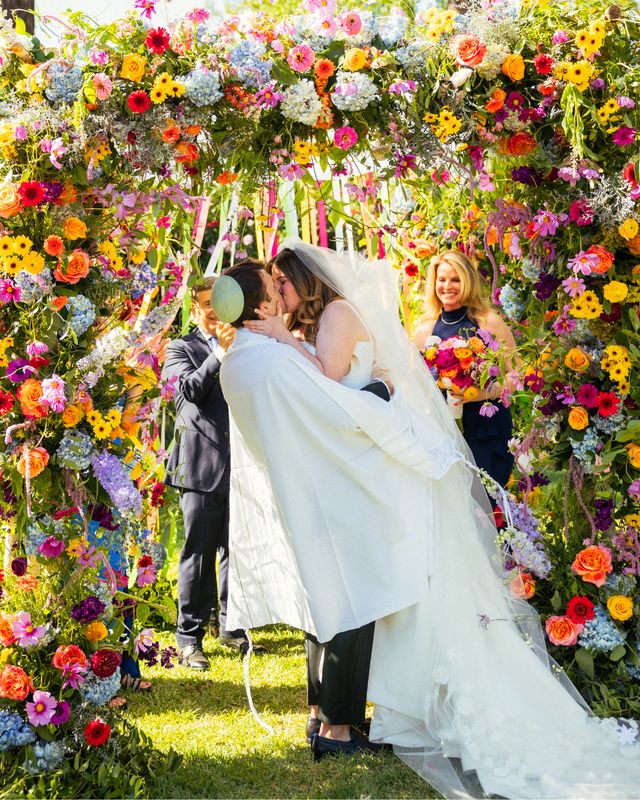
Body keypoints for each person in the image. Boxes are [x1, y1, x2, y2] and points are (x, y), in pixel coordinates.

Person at [217, 241, 640, 799]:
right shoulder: (288, 341)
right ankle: (344, 715)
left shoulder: (333, 318)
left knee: (376, 597)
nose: (280, 295)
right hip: (350, 478)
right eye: (272, 289)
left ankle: (349, 715)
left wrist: (370, 379)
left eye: (284, 284)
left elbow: (332, 383)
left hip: (379, 471)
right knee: (357, 599)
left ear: (305, 281)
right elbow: (328, 390)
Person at [162, 276, 264, 669]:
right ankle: (189, 637)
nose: (212, 310)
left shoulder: (246, 343)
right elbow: (186, 392)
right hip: (200, 465)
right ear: (195, 307)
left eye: (217, 303)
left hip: (242, 461)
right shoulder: (180, 347)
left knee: (235, 550)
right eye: (205, 304)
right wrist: (219, 354)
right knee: (198, 553)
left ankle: (231, 626)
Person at [413, 250, 515, 488]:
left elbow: (517, 375)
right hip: (443, 431)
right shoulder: (424, 330)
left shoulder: (489, 321)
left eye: (455, 279)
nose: (447, 286)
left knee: (487, 500)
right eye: (442, 279)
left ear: (467, 281)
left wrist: (483, 393)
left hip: (487, 427)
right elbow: (415, 382)